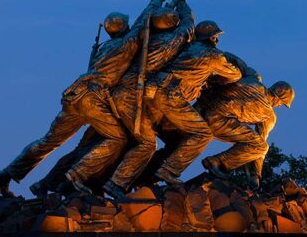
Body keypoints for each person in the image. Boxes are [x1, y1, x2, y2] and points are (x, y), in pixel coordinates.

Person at [0, 0, 173, 196]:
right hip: (91, 98)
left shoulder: (104, 47)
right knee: (117, 138)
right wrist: (157, 0)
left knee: (48, 142)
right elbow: (143, 24)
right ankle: (76, 175)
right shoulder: (124, 46)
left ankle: (8, 172)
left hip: (74, 95)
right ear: (123, 28)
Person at [103, 19, 241, 198]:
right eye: (216, 37)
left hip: (152, 96)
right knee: (203, 134)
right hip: (170, 97)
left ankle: (137, 179)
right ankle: (169, 171)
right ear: (213, 38)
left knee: (175, 139)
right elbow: (234, 74)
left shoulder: (184, 48)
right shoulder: (213, 56)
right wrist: (231, 63)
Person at [198, 70, 295, 190]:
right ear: (278, 99)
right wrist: (256, 175)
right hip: (218, 121)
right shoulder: (269, 115)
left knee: (249, 139)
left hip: (202, 107)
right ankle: (217, 161)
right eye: (282, 103)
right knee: (261, 147)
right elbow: (260, 145)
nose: (279, 106)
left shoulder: (253, 81)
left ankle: (219, 164)